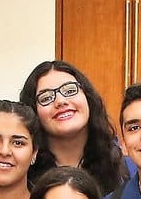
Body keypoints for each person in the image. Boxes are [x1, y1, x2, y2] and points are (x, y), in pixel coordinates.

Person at [20, 59, 126, 189]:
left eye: (70, 91)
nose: (60, 101)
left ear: (88, 97)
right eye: (46, 98)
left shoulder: (123, 167)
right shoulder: (23, 176)